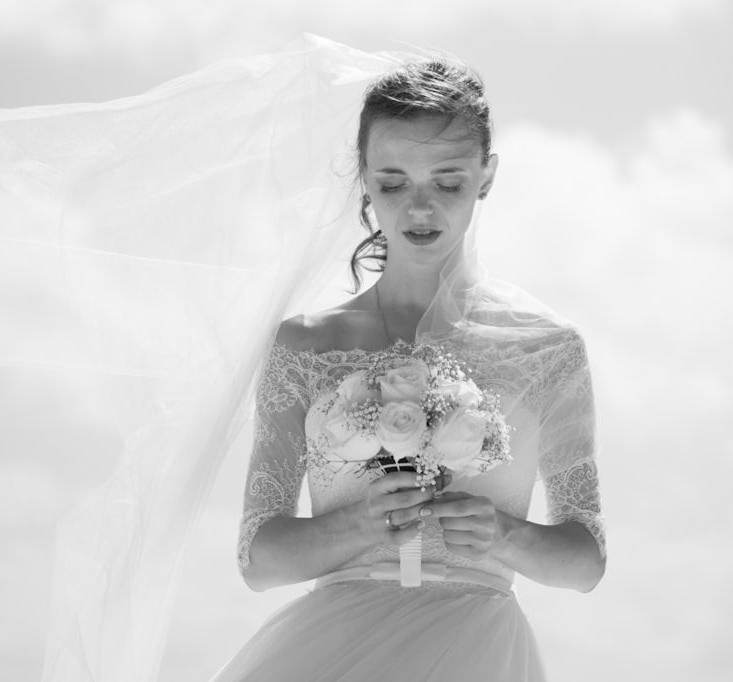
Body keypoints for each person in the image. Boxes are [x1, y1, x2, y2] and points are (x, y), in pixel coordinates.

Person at [210, 58, 606, 682]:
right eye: (393, 183)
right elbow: (258, 559)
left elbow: (585, 561)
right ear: (364, 178)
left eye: (447, 182)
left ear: (487, 175)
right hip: (330, 653)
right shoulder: (306, 346)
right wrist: (357, 524)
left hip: (476, 653)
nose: (419, 208)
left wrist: (504, 535)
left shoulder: (546, 348)